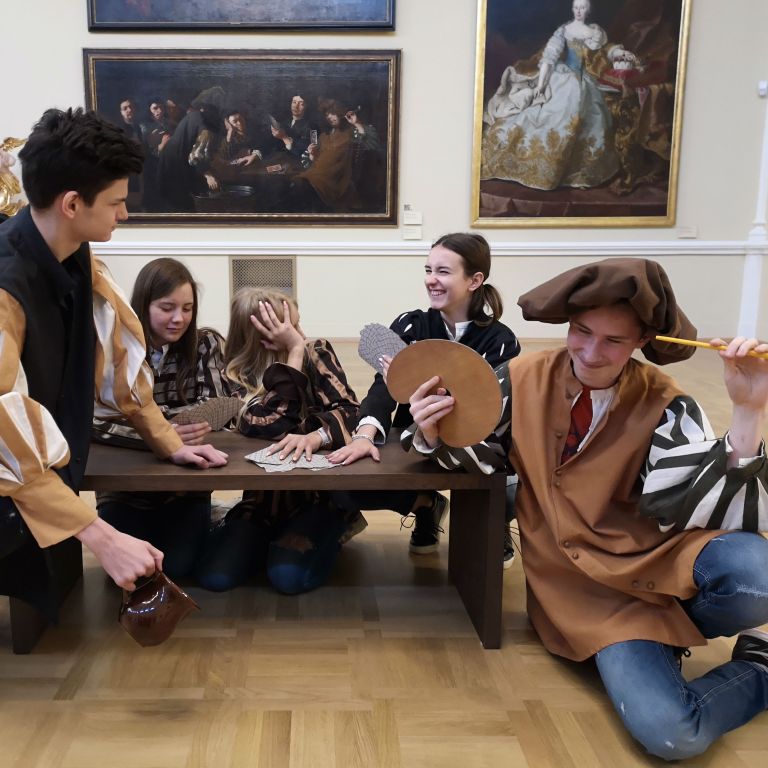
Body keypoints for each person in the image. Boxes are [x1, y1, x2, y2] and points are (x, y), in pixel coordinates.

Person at [404, 257, 768, 760]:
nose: (592, 353)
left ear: (641, 341)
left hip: (656, 561)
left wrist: (748, 410)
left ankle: (690, 636)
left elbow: (696, 510)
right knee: (673, 734)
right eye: (581, 332)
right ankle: (747, 666)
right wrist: (431, 430)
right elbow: (479, 457)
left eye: (614, 341)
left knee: (759, 577)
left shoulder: (667, 401)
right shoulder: (520, 378)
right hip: (586, 596)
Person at [0, 107, 228, 597]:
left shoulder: (79, 258)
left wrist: (170, 443)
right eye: (116, 202)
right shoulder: (5, 288)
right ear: (71, 204)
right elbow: (4, 430)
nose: (124, 214)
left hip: (49, 469)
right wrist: (102, 537)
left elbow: (123, 370)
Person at [328, 233, 521, 565]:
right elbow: (383, 388)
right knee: (347, 487)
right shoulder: (411, 325)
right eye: (428, 270)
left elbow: (493, 412)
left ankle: (494, 521)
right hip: (414, 442)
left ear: (475, 280)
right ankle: (426, 506)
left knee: (510, 484)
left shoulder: (500, 341)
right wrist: (364, 436)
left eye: (443, 271)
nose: (431, 279)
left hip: (476, 445)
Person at [197, 287, 361, 595]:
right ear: (262, 336)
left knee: (288, 579)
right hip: (261, 503)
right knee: (215, 578)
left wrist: (317, 434)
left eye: (298, 326)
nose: (301, 335)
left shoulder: (315, 352)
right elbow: (272, 426)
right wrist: (293, 357)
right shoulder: (234, 374)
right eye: (291, 329)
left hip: (317, 500)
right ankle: (266, 543)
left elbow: (352, 411)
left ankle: (327, 532)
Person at [93, 257, 234, 580]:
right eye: (167, 308)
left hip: (187, 488)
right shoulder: (116, 347)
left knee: (177, 568)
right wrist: (161, 433)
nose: (179, 318)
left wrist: (154, 424)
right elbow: (94, 420)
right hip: (124, 488)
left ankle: (213, 518)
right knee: (135, 574)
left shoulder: (205, 343)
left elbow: (219, 406)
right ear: (143, 305)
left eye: (187, 308)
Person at [481, 0, 628, 190]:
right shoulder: (564, 30)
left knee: (590, 115)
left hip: (586, 79)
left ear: (588, 10)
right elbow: (549, 59)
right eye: (576, 7)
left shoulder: (595, 31)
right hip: (563, 77)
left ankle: (578, 169)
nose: (579, 11)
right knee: (546, 114)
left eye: (582, 7)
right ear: (573, 9)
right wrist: (541, 85)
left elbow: (605, 50)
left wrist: (618, 52)